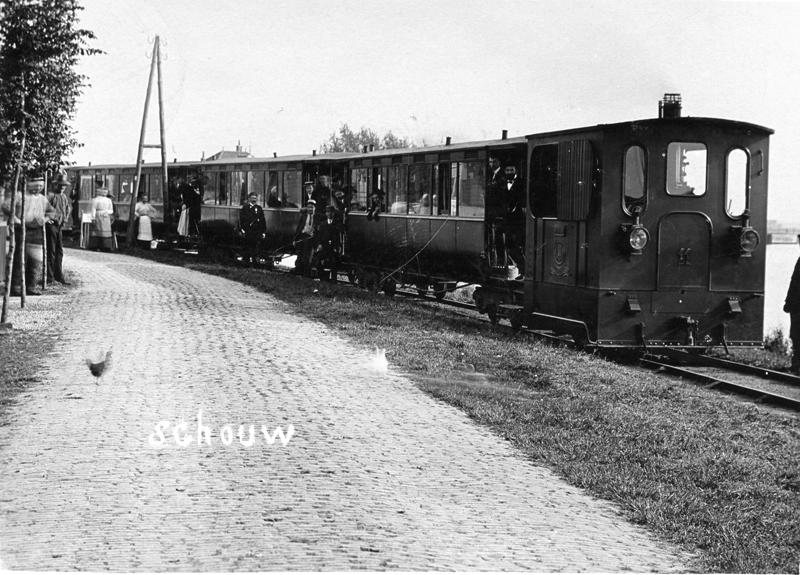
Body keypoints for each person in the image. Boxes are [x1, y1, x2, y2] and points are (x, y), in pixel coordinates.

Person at [46, 173, 72, 284]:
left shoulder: (64, 197)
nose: (62, 187)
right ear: (56, 185)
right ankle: (50, 277)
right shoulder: (51, 196)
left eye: (64, 185)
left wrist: (65, 219)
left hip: (59, 226)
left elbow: (67, 209)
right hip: (51, 225)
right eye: (60, 185)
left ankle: (58, 275)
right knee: (51, 251)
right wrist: (48, 219)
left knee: (59, 251)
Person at [485, 155, 507, 269]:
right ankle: (495, 261)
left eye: (494, 161)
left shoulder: (502, 176)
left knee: (499, 238)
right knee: (493, 238)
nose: (492, 164)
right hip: (491, 212)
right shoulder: (491, 175)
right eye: (490, 162)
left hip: (499, 212)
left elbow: (500, 194)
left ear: (499, 162)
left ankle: (500, 261)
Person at [504, 164, 525, 279]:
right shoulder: (503, 182)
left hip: (518, 219)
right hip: (507, 219)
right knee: (510, 245)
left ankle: (523, 270)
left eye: (511, 169)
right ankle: (520, 269)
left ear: (515, 170)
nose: (509, 172)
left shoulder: (521, 182)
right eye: (507, 170)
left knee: (517, 245)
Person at [784, 235, 800, 373]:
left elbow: (794, 283)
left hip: (797, 306)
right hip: (796, 306)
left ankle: (796, 365)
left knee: (796, 335)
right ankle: (796, 365)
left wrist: (788, 302)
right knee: (796, 335)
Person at [314, 205, 342, 281]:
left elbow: (338, 237)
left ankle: (334, 279)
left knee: (334, 262)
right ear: (326, 213)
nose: (329, 214)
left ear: (334, 213)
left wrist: (338, 246)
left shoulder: (337, 224)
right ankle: (322, 277)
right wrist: (319, 244)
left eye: (331, 212)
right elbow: (320, 236)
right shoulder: (323, 224)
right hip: (324, 246)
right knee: (318, 261)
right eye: (328, 212)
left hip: (333, 247)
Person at [238, 192, 266, 265]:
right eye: (253, 198)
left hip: (256, 232)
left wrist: (263, 232)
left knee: (256, 248)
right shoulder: (245, 208)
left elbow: (263, 221)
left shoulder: (259, 208)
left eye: (255, 198)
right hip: (248, 232)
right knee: (247, 247)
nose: (254, 199)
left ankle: (255, 263)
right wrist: (242, 230)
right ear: (249, 199)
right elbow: (241, 220)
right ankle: (246, 263)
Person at [293, 199, 316, 276]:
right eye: (309, 207)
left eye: (312, 207)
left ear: (314, 208)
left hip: (311, 238)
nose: (310, 209)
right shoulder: (304, 216)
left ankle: (306, 273)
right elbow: (299, 228)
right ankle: (298, 271)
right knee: (300, 254)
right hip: (302, 236)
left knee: (308, 256)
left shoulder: (317, 217)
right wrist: (295, 239)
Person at [90, 187, 115, 251]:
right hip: (98, 216)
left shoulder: (109, 200)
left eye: (106, 192)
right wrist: (93, 218)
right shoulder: (95, 200)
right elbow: (93, 209)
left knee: (105, 231)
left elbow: (111, 210)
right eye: (103, 192)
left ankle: (106, 246)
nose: (105, 193)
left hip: (106, 217)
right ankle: (96, 246)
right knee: (97, 230)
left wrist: (106, 212)